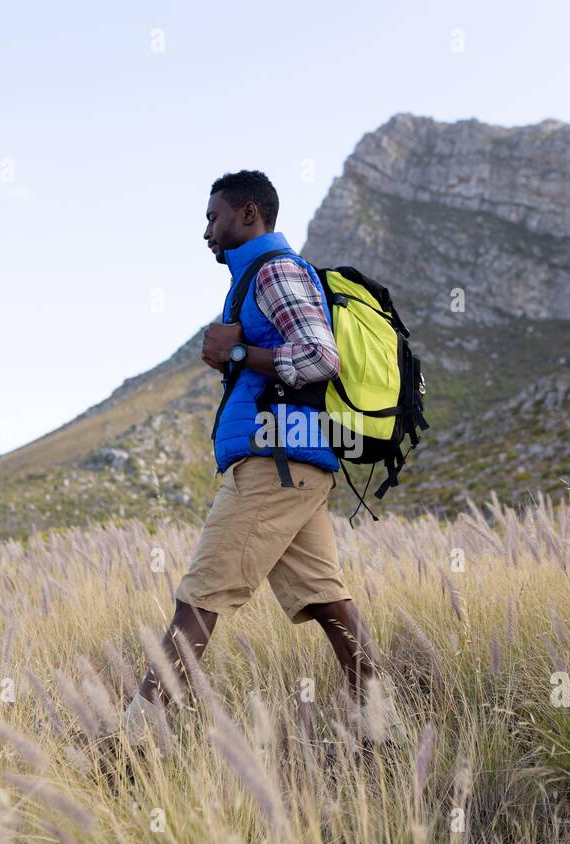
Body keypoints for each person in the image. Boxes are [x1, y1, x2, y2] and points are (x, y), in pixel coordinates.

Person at [121, 170, 403, 746]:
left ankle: (132, 745)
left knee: (199, 597)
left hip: (274, 463)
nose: (206, 231)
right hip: (294, 465)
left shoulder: (273, 270)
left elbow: (322, 357)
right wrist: (234, 357)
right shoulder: (255, 275)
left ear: (248, 214)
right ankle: (386, 732)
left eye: (213, 217)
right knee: (328, 602)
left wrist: (240, 351)